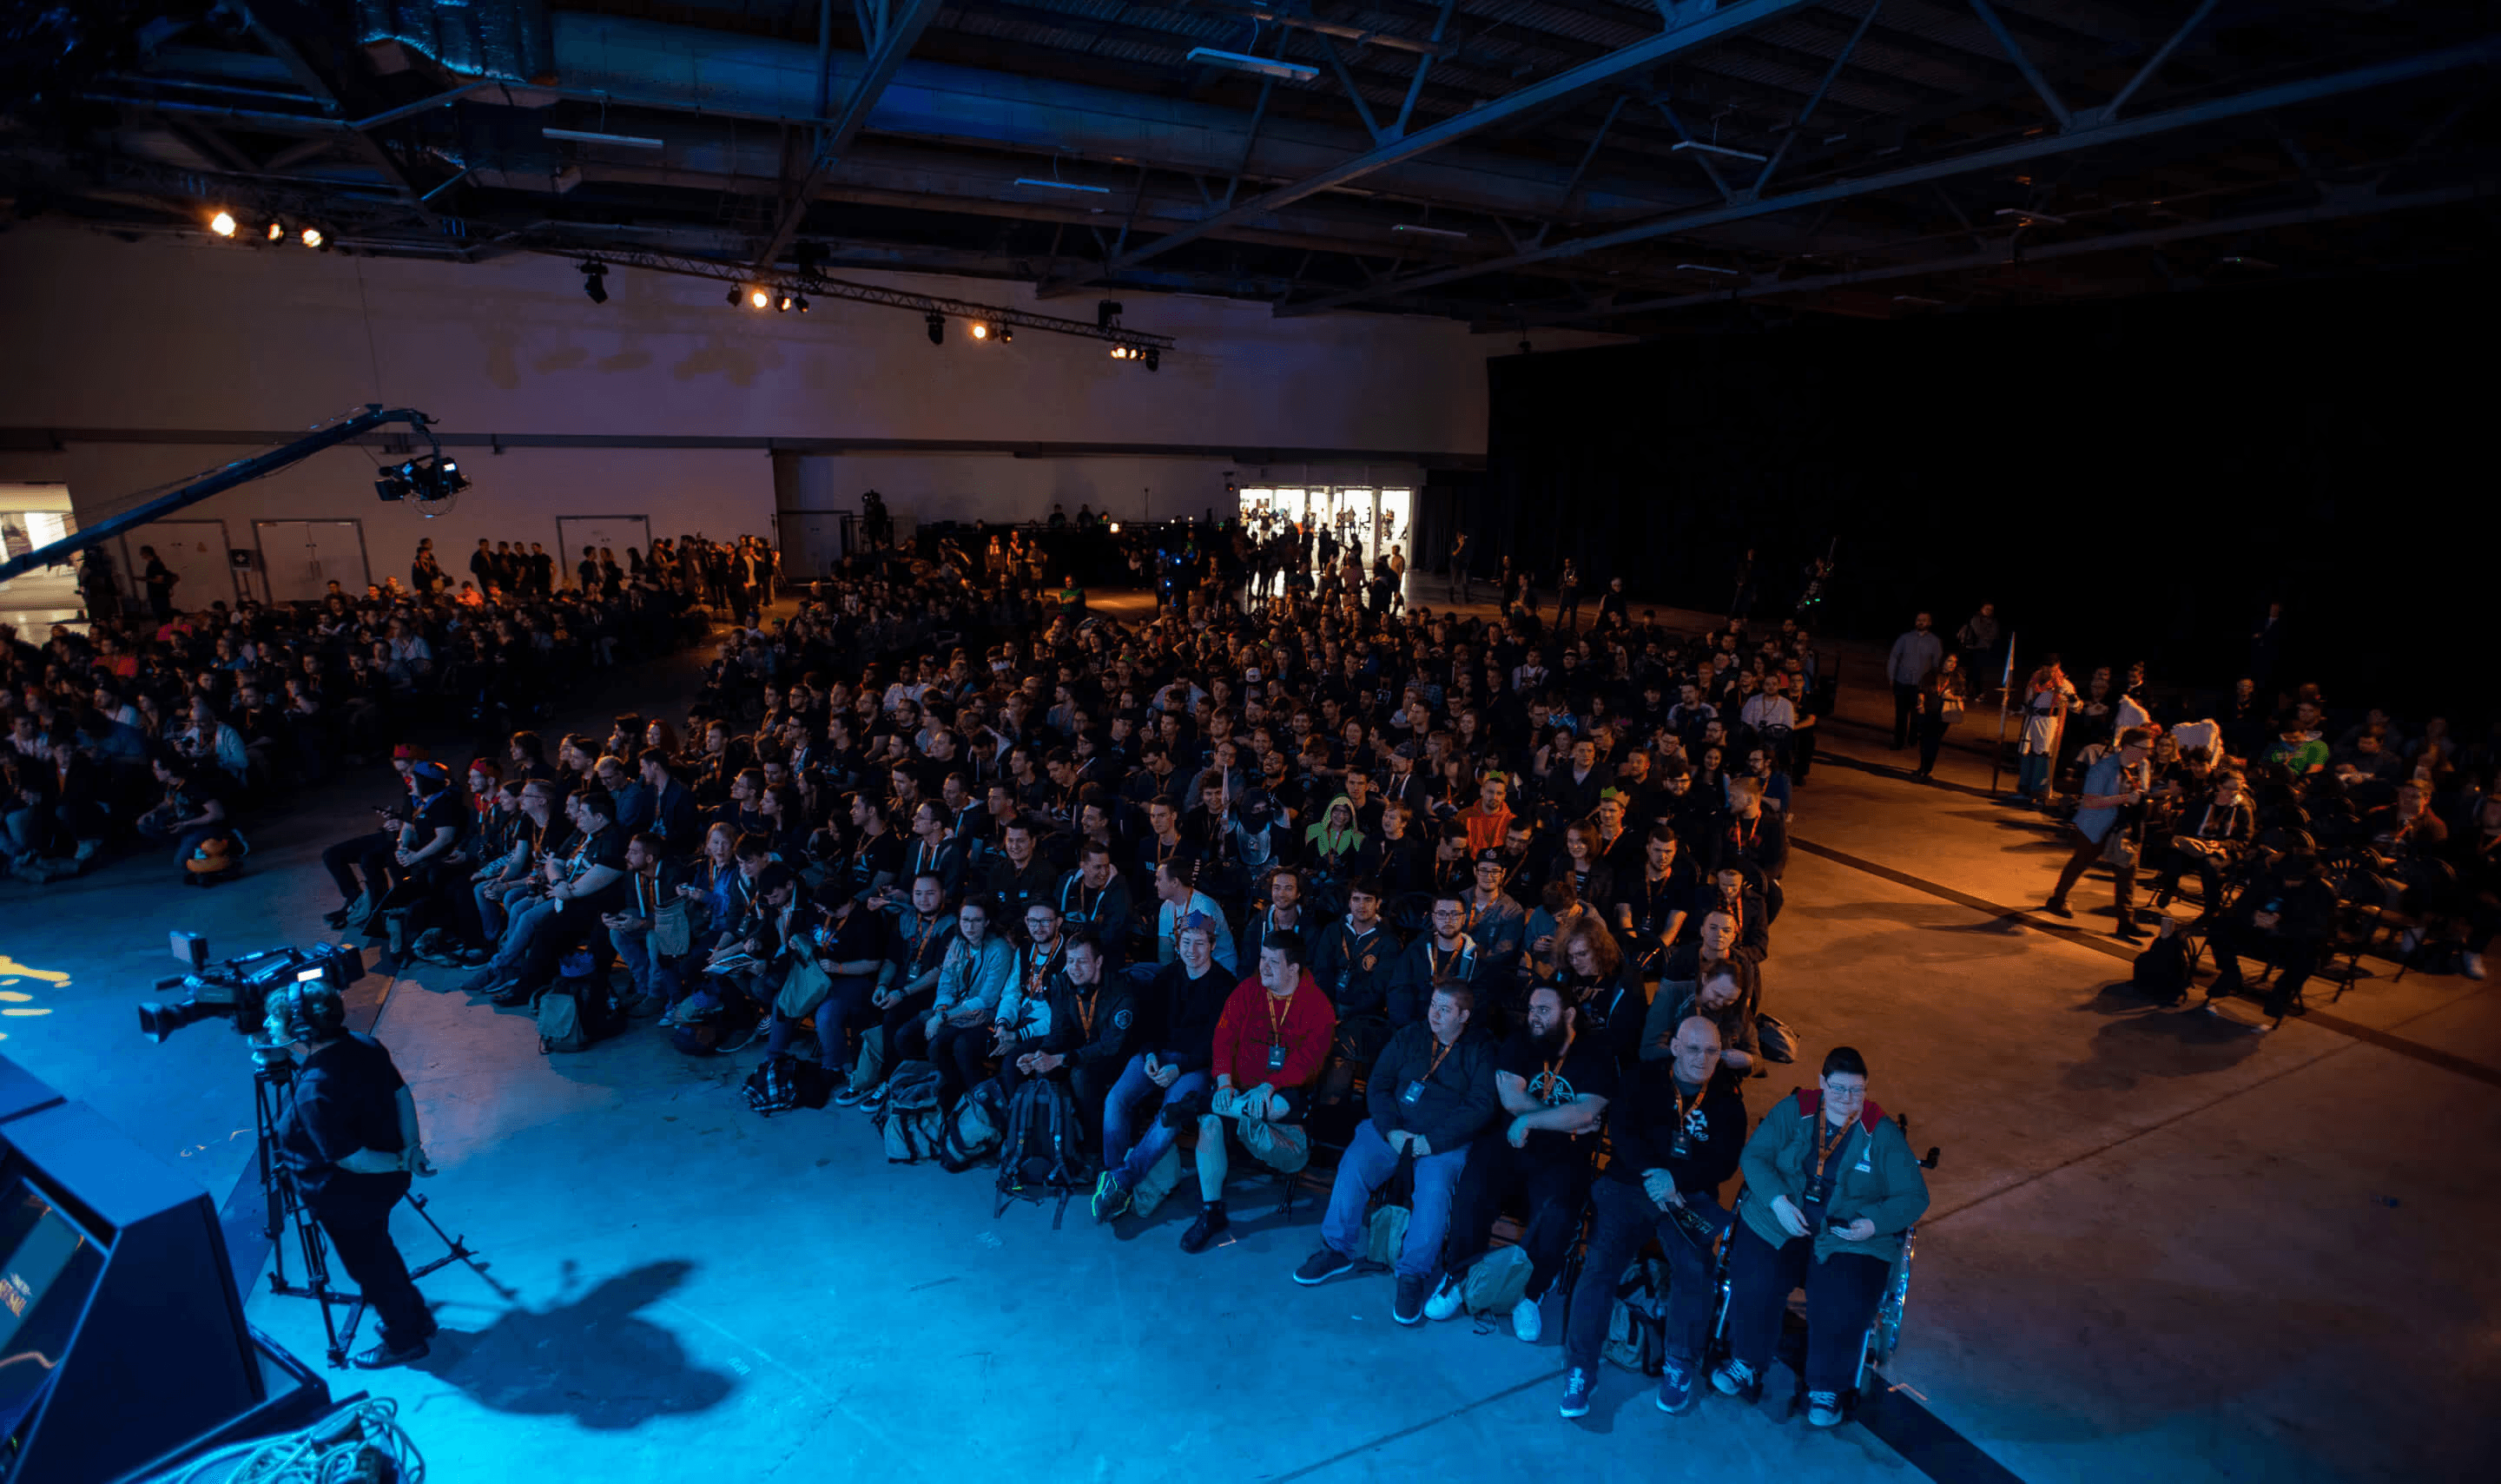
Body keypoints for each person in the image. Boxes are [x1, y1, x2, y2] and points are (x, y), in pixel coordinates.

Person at [1712, 1045, 1930, 1428]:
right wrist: (1778, 1201)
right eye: (1839, 1088)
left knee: (1842, 1299)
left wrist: (1872, 1224)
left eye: (1857, 1090)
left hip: (1845, 1234)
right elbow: (1755, 1157)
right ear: (1822, 1083)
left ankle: (1826, 1387)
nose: (1847, 1098)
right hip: (1784, 1219)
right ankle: (1746, 1360)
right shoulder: (1794, 1110)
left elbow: (1914, 1196)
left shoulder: (1880, 1131)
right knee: (1757, 1277)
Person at [1559, 1014, 1746, 1419]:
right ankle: (1580, 1368)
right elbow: (1623, 1133)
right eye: (1693, 1048)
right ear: (1675, 1047)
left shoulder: (1727, 1097)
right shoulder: (1641, 1078)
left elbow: (1726, 1162)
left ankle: (1679, 1363)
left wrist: (1676, 1181)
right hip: (1632, 1184)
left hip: (1687, 1195)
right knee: (1599, 1267)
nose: (1702, 1059)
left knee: (1695, 1270)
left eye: (1712, 1051)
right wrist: (1655, 1175)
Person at [1293, 982, 1499, 1326]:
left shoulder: (1480, 1049)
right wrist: (1391, 1130)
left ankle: (1413, 1274)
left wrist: (1432, 1141)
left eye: (1445, 1009)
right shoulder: (1410, 1036)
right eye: (1433, 1005)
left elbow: (1481, 1106)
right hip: (1394, 1129)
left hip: (1441, 1142)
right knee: (1355, 1164)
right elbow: (1379, 1085)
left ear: (1464, 1016)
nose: (1434, 1014)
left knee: (1434, 1193)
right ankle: (1337, 1249)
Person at [263, 979, 439, 1368]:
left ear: (302, 1030)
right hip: (383, 1185)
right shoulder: (365, 1044)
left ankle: (404, 1340)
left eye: (275, 1019)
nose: (267, 1025)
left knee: (370, 1268)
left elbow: (353, 1159)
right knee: (380, 1252)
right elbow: (401, 1094)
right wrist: (411, 1150)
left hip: (347, 1197)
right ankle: (417, 1318)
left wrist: (404, 1160)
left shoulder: (314, 1091)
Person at [1424, 984, 1614, 1342]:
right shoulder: (1519, 1041)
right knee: (1474, 1187)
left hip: (1563, 1154)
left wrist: (1532, 1119)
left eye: (1544, 1010)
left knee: (1559, 1208)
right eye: (1531, 1009)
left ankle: (1530, 1294)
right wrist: (1564, 1120)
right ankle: (1458, 1276)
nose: (1534, 1017)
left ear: (1569, 1015)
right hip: (1509, 1142)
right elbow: (1512, 1098)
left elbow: (1587, 1112)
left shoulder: (1596, 1054)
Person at [1180, 932, 1336, 1252]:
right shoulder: (1248, 990)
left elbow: (1309, 1062)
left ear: (1293, 968)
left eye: (1272, 962)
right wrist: (1224, 1082)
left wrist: (1270, 1085)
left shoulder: (1318, 1006)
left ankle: (1201, 1104)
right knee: (1210, 1125)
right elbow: (1223, 1038)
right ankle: (1211, 1212)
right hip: (1237, 1088)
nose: (1263, 966)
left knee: (1273, 1106)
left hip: (1283, 1092)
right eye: (1262, 958)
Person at [1092, 916, 1233, 1221]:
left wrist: (1179, 1067)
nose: (1192, 950)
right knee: (1115, 1099)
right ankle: (1113, 1176)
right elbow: (1145, 1026)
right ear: (1178, 945)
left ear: (1212, 945)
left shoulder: (1225, 986)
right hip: (1158, 1057)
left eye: (1199, 943)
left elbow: (1216, 1044)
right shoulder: (1166, 976)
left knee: (1170, 1114)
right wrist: (1149, 1055)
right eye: (1186, 943)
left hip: (1195, 1065)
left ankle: (1123, 1180)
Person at [2044, 725, 2153, 941]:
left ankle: (2126, 922)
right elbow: (2090, 801)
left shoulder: (2143, 766)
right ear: (2127, 747)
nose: (2147, 753)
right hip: (2096, 825)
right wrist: (2124, 798)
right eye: (2143, 748)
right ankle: (2058, 899)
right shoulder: (2103, 768)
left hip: (2124, 828)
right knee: (2081, 862)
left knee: (2127, 872)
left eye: (2149, 749)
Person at [1886, 612, 1942, 750]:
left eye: (1924, 620)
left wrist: (1933, 683)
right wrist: (1891, 677)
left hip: (1920, 685)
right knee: (1900, 714)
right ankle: (1898, 741)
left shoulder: (1934, 642)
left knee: (1917, 715)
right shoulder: (1905, 638)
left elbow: (1936, 664)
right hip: (1902, 681)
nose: (1920, 622)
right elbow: (1894, 657)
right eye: (1918, 620)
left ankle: (1912, 740)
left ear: (1929, 623)